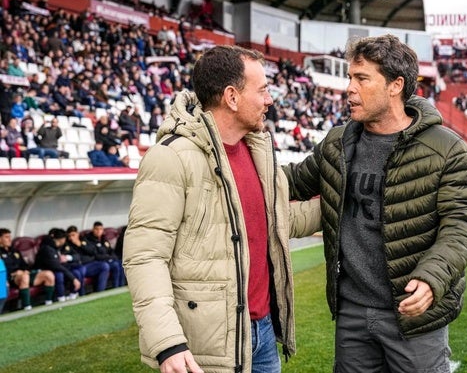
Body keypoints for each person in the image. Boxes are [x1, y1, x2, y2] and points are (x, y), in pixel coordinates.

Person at [282, 34, 467, 373]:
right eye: (349, 78)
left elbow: (461, 226)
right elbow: (290, 181)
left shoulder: (447, 149)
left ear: (395, 85)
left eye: (361, 78)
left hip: (413, 315)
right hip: (353, 315)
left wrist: (432, 278)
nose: (349, 88)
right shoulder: (338, 142)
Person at [123, 45, 320, 373]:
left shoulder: (257, 151)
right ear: (231, 97)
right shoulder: (170, 157)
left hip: (263, 334)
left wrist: (343, 203)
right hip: (206, 347)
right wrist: (167, 342)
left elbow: (277, 221)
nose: (269, 100)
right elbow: (145, 256)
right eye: (262, 90)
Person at [0, 228, 56, 310]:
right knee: (24, 277)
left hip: (23, 274)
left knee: (48, 274)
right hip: (11, 278)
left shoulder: (14, 250)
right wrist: (13, 274)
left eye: (10, 237)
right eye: (6, 237)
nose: (9, 239)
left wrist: (25, 270)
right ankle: (27, 307)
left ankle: (48, 303)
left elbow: (24, 264)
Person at [34, 228, 81, 302]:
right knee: (59, 275)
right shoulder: (47, 248)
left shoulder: (57, 246)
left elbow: (77, 255)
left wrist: (68, 258)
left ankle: (73, 294)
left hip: (57, 268)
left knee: (76, 271)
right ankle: (60, 298)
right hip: (45, 270)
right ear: (62, 239)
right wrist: (73, 279)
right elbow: (56, 266)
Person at [66, 226, 110, 295]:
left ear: (77, 234)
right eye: (69, 236)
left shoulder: (83, 240)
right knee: (81, 270)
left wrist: (80, 245)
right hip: (80, 266)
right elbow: (76, 258)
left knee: (104, 266)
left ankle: (100, 293)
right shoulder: (68, 245)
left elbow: (93, 251)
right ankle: (82, 295)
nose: (71, 238)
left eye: (73, 235)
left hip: (90, 264)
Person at [83, 221, 125, 288]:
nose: (98, 231)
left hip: (108, 260)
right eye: (96, 229)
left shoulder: (104, 239)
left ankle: (120, 286)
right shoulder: (89, 239)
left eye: (100, 229)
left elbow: (111, 250)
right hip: (98, 261)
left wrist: (113, 257)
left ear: (103, 230)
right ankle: (115, 287)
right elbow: (95, 254)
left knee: (121, 263)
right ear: (93, 229)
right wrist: (109, 257)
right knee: (114, 265)